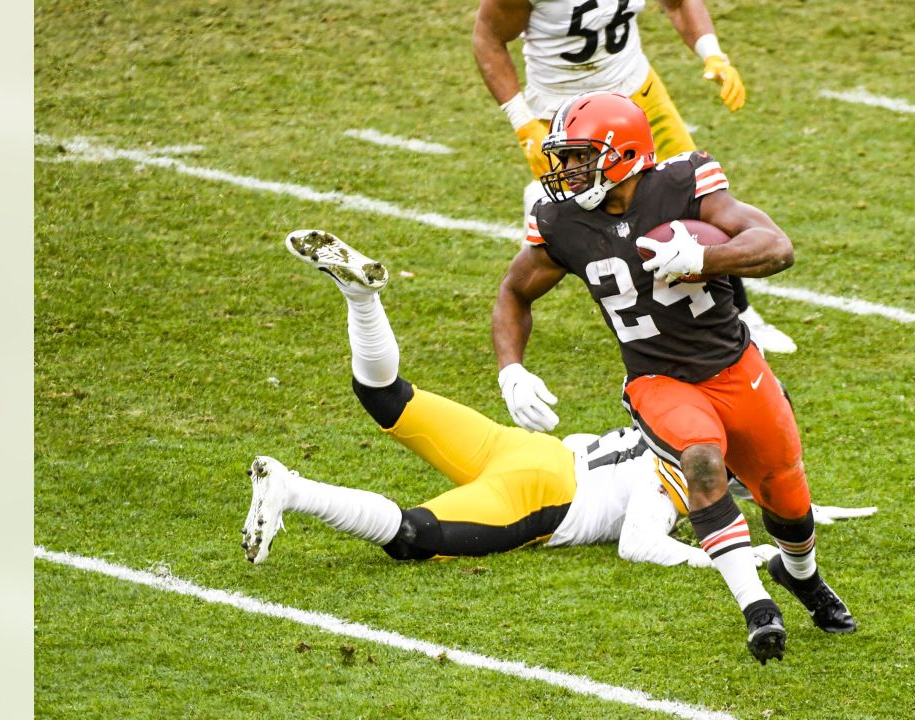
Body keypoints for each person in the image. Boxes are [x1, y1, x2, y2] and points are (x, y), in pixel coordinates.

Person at [492, 92, 855, 664]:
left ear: (625, 154)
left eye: (582, 157)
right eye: (565, 158)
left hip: (735, 367)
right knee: (702, 460)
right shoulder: (561, 221)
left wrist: (704, 261)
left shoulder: (682, 184)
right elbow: (515, 291)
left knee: (786, 494)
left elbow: (776, 247)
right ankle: (757, 607)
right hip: (656, 378)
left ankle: (801, 575)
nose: (567, 172)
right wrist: (510, 368)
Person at [242, 229, 800, 570]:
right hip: (543, 492)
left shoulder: (682, 418)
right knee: (415, 537)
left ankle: (361, 299)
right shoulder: (682, 473)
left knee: (383, 394)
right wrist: (723, 555)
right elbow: (639, 543)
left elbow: (763, 491)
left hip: (528, 449)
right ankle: (293, 489)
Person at [472, 0, 796, 354]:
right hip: (564, 117)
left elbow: (678, 3)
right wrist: (522, 121)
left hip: (635, 97)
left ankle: (740, 313)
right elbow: (488, 36)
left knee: (694, 198)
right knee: (583, 222)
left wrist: (712, 53)